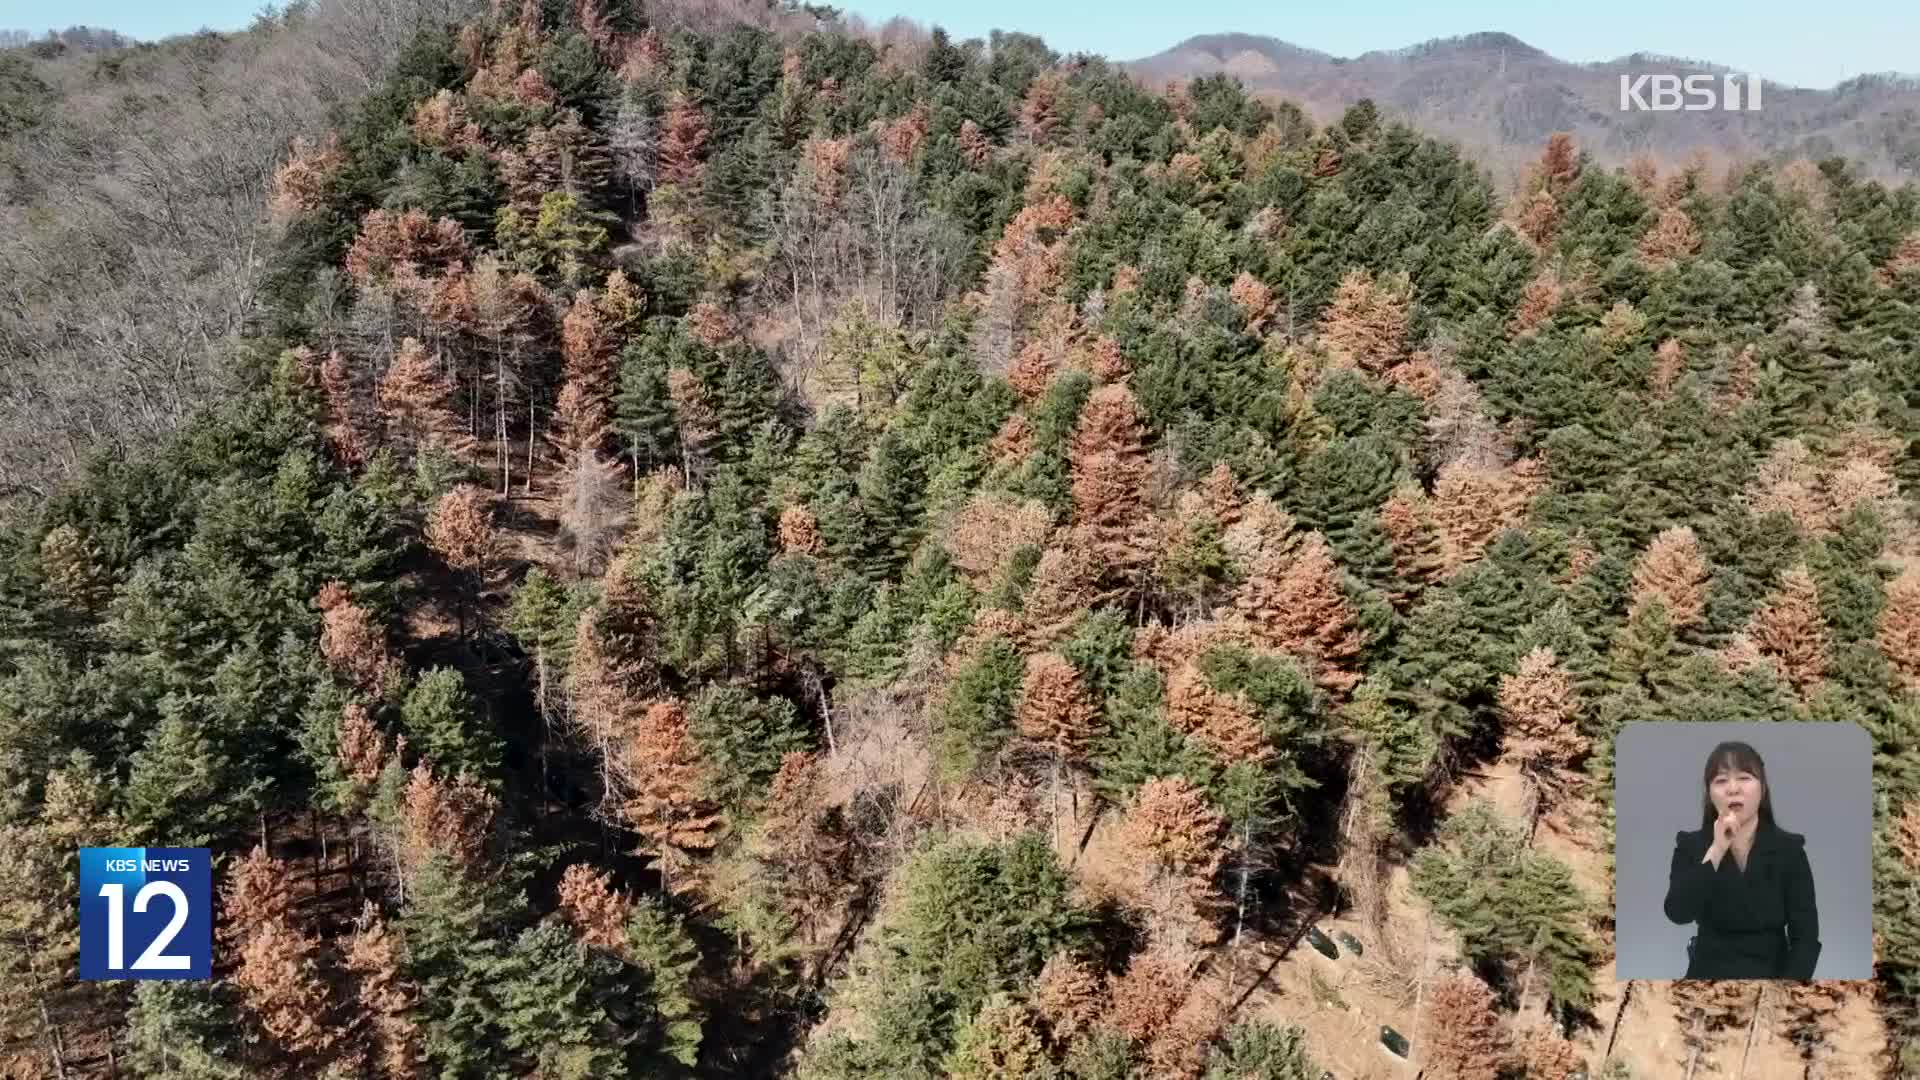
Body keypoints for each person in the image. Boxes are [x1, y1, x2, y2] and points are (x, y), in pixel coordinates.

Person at [1662, 740, 1820, 979]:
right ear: (1710, 793)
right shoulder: (1690, 845)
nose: (1733, 788)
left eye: (1744, 777)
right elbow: (1678, 913)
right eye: (1721, 780)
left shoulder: (1789, 849)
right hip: (1707, 976)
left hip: (1773, 976)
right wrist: (1717, 849)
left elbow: (1806, 936)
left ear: (1762, 788)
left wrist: (1787, 990)